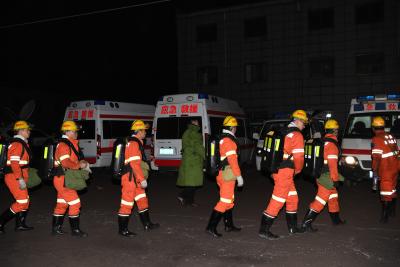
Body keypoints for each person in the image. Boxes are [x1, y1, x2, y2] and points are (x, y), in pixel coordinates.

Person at [259, 110, 307, 239]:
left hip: (278, 169)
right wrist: (298, 170)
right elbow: (299, 156)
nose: (304, 126)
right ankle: (264, 229)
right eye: (304, 123)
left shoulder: (284, 131)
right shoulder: (297, 135)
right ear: (298, 120)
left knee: (292, 198)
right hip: (285, 171)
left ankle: (293, 228)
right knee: (278, 199)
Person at [301, 119, 345, 232]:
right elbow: (332, 164)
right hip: (327, 176)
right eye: (337, 130)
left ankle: (336, 220)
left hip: (321, 173)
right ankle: (306, 223)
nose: (338, 132)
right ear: (335, 130)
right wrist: (335, 179)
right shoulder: (332, 144)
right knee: (320, 200)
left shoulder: (323, 141)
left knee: (333, 197)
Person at [118, 120, 159, 237]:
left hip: (134, 178)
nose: (145, 132)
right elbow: (134, 164)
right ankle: (123, 230)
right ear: (139, 131)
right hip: (130, 179)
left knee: (142, 200)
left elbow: (137, 163)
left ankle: (147, 224)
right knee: (127, 204)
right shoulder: (134, 143)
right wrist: (142, 179)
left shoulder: (135, 142)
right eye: (144, 130)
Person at [206, 116, 244, 238]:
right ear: (232, 128)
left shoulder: (221, 139)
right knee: (225, 201)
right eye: (235, 128)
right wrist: (239, 176)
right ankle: (211, 227)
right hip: (227, 174)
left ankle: (229, 225)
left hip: (221, 174)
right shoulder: (229, 141)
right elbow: (233, 161)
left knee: (229, 200)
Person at [51, 121, 89, 237]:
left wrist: (81, 163)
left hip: (64, 178)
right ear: (67, 132)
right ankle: (75, 230)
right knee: (75, 203)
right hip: (63, 179)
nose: (77, 133)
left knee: (62, 204)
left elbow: (71, 160)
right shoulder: (64, 145)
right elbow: (65, 162)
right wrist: (78, 165)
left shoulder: (69, 143)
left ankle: (56, 229)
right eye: (74, 131)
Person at [0, 121, 34, 234]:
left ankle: (20, 225)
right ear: (21, 130)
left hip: (19, 175)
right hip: (14, 176)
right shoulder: (17, 144)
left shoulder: (22, 143)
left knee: (26, 201)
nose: (29, 131)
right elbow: (14, 163)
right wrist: (20, 179)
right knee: (22, 202)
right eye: (27, 130)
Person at [371, 116, 399, 223]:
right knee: (392, 189)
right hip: (395, 167)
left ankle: (385, 217)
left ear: (373, 128)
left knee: (385, 193)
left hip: (386, 169)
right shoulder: (390, 136)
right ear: (383, 126)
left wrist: (374, 169)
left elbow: (376, 157)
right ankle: (392, 212)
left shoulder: (376, 139)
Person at [177, 119, 205, 207]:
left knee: (192, 183)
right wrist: (206, 156)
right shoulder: (195, 133)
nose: (199, 125)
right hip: (193, 161)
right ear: (194, 124)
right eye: (197, 123)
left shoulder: (187, 132)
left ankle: (189, 201)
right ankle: (182, 195)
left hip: (188, 160)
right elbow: (198, 147)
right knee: (192, 183)